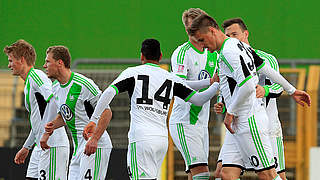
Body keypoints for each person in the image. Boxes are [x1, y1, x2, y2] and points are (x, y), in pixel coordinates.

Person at [188, 14, 311, 180]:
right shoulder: (236, 45)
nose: (202, 47)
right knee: (225, 173)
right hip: (238, 123)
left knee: (267, 175)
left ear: (211, 31)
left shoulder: (229, 51)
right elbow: (263, 67)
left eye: (202, 40)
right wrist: (292, 90)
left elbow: (248, 85)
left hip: (248, 119)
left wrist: (230, 112)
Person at [83, 38, 220, 180]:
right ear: (160, 56)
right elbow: (198, 99)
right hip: (161, 140)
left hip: (142, 138)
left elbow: (109, 92)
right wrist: (215, 84)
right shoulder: (170, 77)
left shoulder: (133, 72)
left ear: (142, 56)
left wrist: (94, 120)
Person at [214, 18, 287, 180]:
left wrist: (265, 89)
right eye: (228, 35)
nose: (231, 38)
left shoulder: (266, 58)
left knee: (275, 175)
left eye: (235, 34)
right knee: (222, 173)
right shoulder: (226, 56)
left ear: (245, 34)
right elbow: (229, 88)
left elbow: (279, 86)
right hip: (239, 122)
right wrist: (222, 103)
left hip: (267, 125)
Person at [40, 46, 112, 180]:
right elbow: (66, 115)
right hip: (78, 148)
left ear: (60, 63)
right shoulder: (55, 88)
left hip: (95, 146)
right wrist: (52, 125)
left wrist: (95, 139)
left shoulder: (83, 84)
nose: (44, 66)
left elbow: (107, 112)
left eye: (48, 62)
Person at [4, 40, 69, 180]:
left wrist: (47, 132)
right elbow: (39, 122)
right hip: (41, 145)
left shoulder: (36, 76)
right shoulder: (28, 83)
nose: (9, 65)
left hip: (52, 144)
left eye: (11, 61)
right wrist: (27, 147)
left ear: (21, 60)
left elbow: (54, 99)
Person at [169, 8, 218, 180]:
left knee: (195, 173)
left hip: (202, 123)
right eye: (191, 28)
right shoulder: (182, 53)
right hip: (184, 122)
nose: (195, 32)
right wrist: (209, 82)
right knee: (202, 174)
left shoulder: (212, 52)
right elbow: (179, 85)